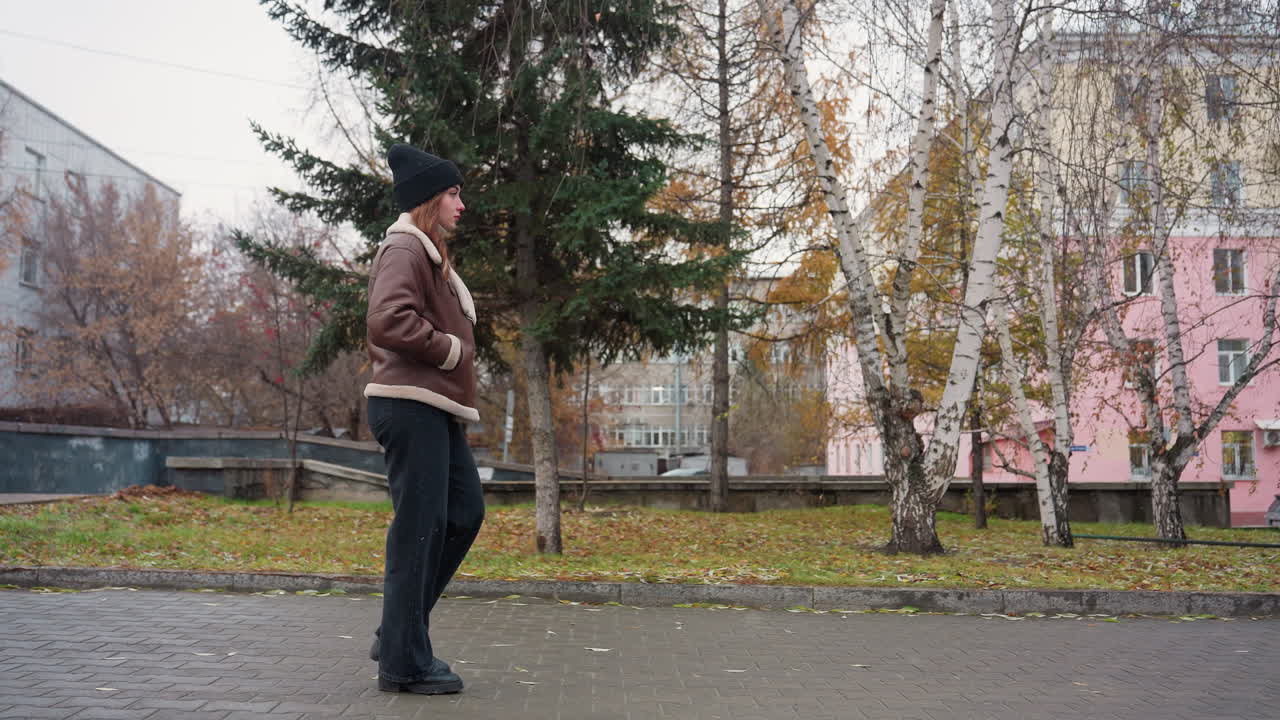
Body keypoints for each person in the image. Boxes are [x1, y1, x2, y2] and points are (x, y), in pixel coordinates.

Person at [363, 143, 485, 695]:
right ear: (429, 199)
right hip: (408, 404)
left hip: (431, 408)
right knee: (418, 531)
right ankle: (404, 664)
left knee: (463, 512)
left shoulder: (427, 253)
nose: (462, 204)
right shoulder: (405, 248)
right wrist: (451, 351)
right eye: (454, 193)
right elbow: (387, 320)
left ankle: (397, 632)